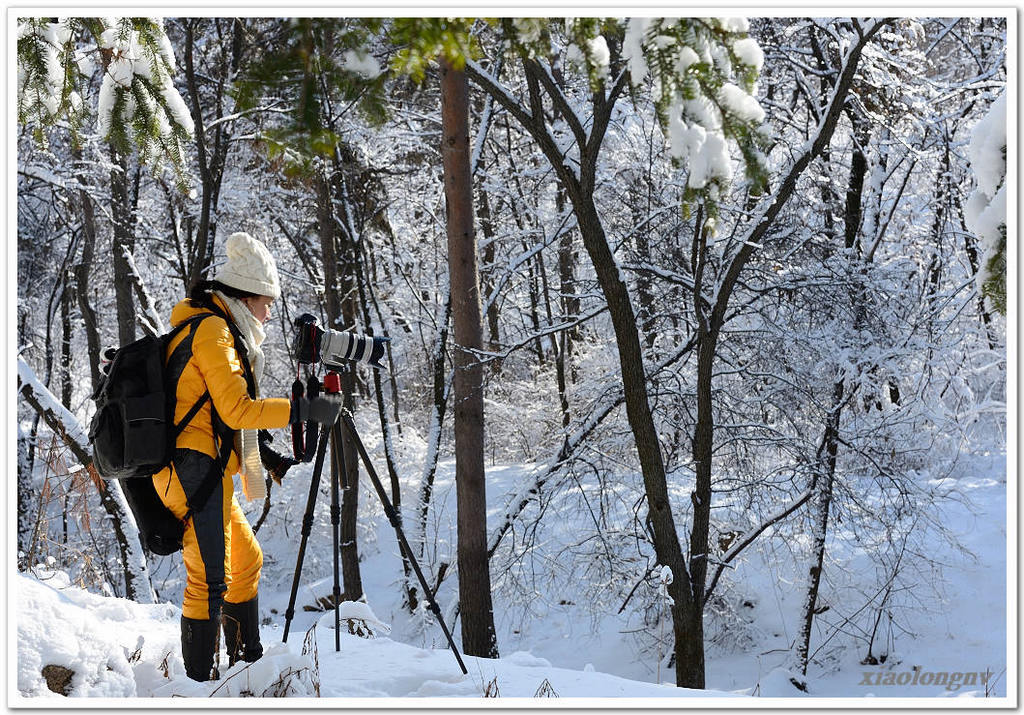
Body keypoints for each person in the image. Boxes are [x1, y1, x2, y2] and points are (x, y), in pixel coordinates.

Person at [153, 231, 341, 682]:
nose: (270, 311)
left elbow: (220, 410)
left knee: (247, 561)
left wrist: (268, 455)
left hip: (205, 467)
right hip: (190, 470)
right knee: (209, 577)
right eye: (267, 301)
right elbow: (236, 408)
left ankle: (244, 671)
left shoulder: (215, 327)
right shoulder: (214, 330)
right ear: (245, 295)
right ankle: (200, 686)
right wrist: (304, 409)